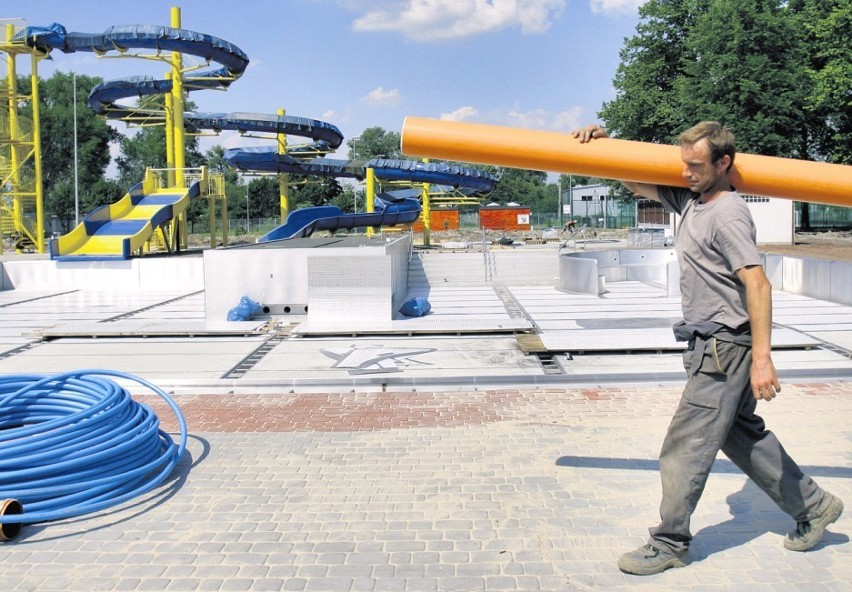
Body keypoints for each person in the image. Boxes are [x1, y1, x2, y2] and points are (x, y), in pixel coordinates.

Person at [573, 121, 844, 576]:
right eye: (684, 165)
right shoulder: (692, 200)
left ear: (724, 164)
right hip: (710, 343)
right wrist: (607, 146)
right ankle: (814, 507)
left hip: (724, 348)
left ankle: (670, 542)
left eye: (696, 167)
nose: (686, 174)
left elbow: (757, 283)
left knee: (685, 446)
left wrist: (762, 359)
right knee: (740, 435)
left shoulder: (728, 213)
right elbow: (635, 180)